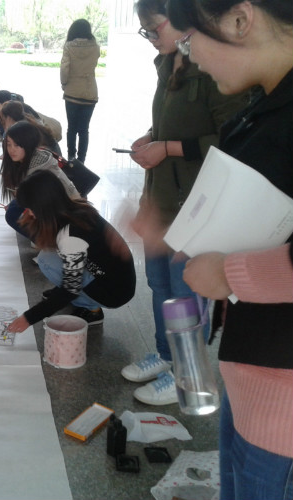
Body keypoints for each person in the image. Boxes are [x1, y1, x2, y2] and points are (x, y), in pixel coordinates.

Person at [166, 0, 293, 497]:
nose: (190, 56)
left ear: (240, 20)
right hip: (253, 373)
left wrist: (230, 273)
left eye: (189, 38)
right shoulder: (268, 103)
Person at [121, 0, 248, 406]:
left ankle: (187, 375)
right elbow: (173, 120)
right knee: (159, 284)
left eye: (154, 28)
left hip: (195, 204)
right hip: (162, 196)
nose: (150, 38)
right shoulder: (168, 62)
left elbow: (235, 137)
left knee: (186, 293)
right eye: (145, 30)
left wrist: (169, 147)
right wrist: (151, 136)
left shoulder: (212, 66)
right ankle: (165, 355)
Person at [6, 170, 135, 332]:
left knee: (47, 261)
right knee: (48, 256)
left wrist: (28, 318)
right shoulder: (73, 209)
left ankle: (91, 309)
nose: (29, 213)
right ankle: (82, 296)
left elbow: (70, 289)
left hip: (114, 292)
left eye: (30, 209)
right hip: (116, 279)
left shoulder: (71, 235)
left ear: (43, 207)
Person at [0, 121, 81, 238]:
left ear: (28, 143)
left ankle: (50, 241)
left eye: (17, 145)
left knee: (12, 213)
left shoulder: (37, 171)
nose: (11, 150)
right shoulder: (33, 157)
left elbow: (46, 206)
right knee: (14, 207)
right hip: (57, 208)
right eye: (8, 144)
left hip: (67, 217)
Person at [60, 19, 100, 163]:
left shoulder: (69, 46)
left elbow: (65, 68)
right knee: (84, 130)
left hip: (72, 92)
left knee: (71, 128)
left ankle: (71, 157)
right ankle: (81, 160)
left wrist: (64, 83)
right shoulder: (96, 47)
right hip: (90, 92)